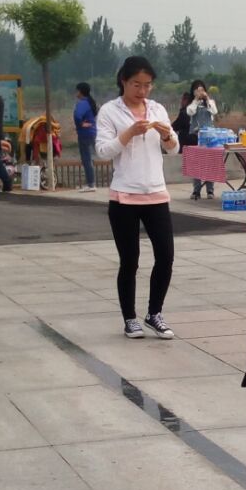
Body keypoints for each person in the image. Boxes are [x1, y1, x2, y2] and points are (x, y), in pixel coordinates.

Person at [94, 57, 179, 339]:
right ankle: (129, 318)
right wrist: (129, 132)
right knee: (130, 261)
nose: (142, 91)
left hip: (156, 194)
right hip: (124, 197)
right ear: (124, 81)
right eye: (136, 85)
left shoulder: (157, 109)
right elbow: (103, 151)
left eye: (147, 85)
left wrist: (167, 136)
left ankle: (155, 313)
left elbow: (173, 149)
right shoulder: (110, 111)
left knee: (165, 256)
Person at [179, 79, 220, 199]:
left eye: (202, 89)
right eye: (197, 90)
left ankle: (210, 190)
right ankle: (196, 190)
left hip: (209, 136)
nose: (200, 92)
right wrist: (196, 100)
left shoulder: (210, 102)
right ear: (193, 91)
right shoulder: (191, 103)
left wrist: (207, 99)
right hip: (195, 136)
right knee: (196, 164)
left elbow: (214, 111)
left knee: (210, 164)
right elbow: (190, 112)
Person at [72, 81, 99, 190]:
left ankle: (91, 184)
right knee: (89, 158)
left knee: (86, 159)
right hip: (92, 132)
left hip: (84, 134)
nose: (76, 93)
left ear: (80, 91)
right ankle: (91, 183)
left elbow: (77, 116)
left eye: (77, 90)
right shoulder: (90, 102)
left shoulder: (82, 103)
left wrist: (81, 124)